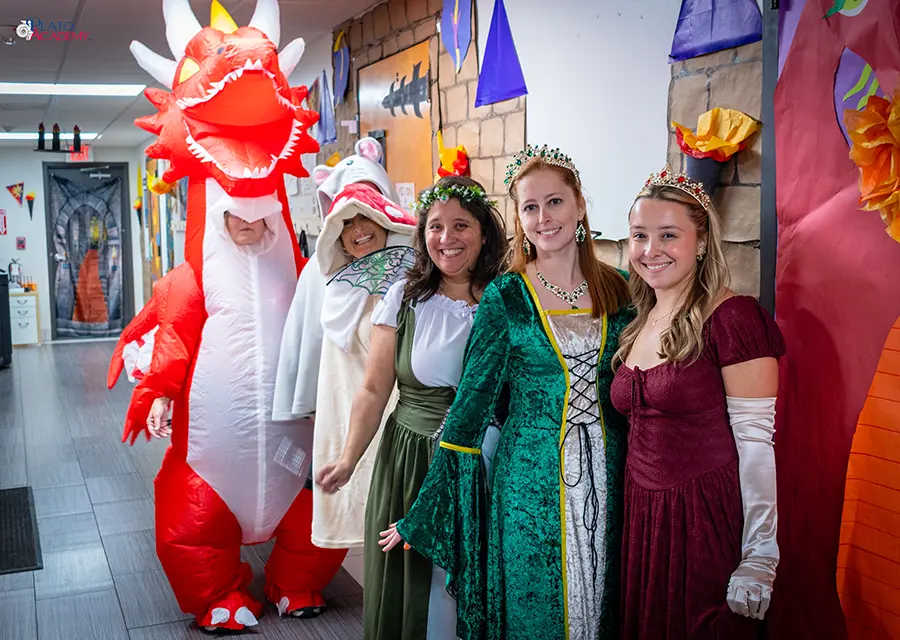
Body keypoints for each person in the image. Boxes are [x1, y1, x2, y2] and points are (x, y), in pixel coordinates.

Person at [383, 145, 632, 639]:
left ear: (580, 205)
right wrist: (426, 512)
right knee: (535, 610)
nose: (544, 218)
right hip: (529, 486)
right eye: (530, 207)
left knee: (609, 605)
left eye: (555, 202)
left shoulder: (621, 288)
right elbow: (470, 408)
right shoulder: (506, 296)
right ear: (520, 218)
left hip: (613, 474)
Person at [316, 176, 507, 639]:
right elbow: (373, 388)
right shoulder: (404, 296)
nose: (447, 238)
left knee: (478, 582)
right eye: (435, 226)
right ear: (422, 234)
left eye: (461, 225)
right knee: (420, 589)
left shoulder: (507, 298)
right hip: (413, 460)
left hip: (491, 461)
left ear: (484, 233)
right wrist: (348, 458)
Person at [611, 162, 784, 639]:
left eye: (669, 235)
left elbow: (756, 444)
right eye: (639, 236)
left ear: (702, 241)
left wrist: (760, 555)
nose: (650, 250)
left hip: (702, 521)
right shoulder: (638, 320)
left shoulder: (734, 318)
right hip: (642, 519)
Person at [274, 138, 418, 558]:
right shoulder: (321, 275)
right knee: (357, 505)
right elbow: (303, 346)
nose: (358, 231)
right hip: (342, 404)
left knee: (399, 514)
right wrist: (303, 403)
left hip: (400, 408)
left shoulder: (415, 270)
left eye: (367, 216)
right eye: (347, 221)